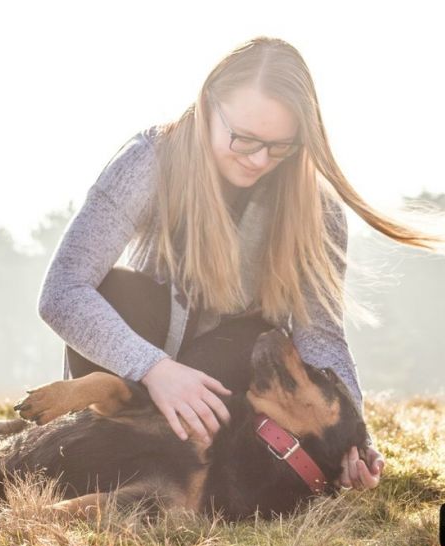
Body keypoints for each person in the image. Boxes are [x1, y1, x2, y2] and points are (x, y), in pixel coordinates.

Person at [37, 37, 442, 493]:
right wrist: (156, 369)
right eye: (245, 139)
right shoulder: (146, 163)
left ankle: (196, 481)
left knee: (259, 336)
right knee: (114, 290)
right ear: (209, 103)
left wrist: (354, 440)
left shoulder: (316, 208)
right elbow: (63, 291)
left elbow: (320, 336)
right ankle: (93, 446)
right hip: (140, 358)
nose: (259, 160)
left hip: (231, 381)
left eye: (280, 147)